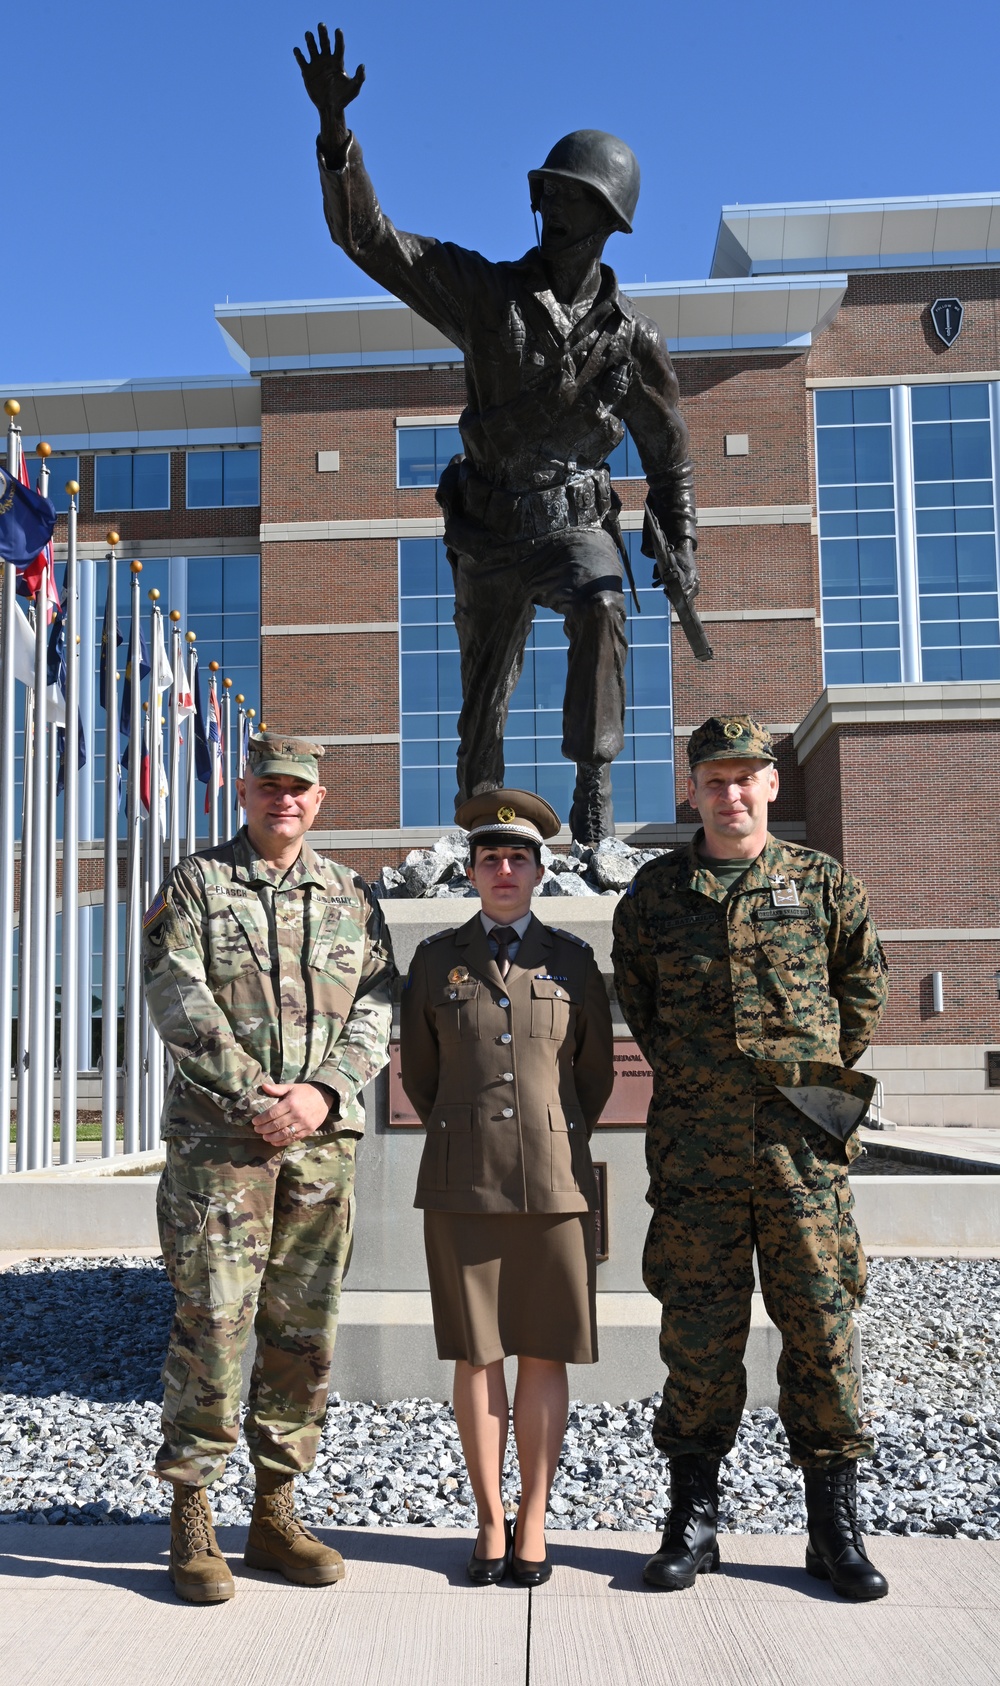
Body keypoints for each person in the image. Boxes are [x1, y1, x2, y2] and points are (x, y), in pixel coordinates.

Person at [294, 24, 698, 845]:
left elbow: (670, 459)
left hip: (574, 523)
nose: (550, 207)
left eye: (570, 196)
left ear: (608, 218)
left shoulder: (633, 341)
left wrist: (681, 542)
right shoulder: (486, 295)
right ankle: (481, 827)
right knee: (482, 701)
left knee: (602, 599)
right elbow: (369, 240)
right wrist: (338, 139)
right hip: (488, 527)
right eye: (546, 192)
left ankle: (592, 792)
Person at [611, 716, 890, 1601]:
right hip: (697, 1155)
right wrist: (706, 1084)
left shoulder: (821, 884)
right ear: (689, 788)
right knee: (698, 1334)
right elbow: (644, 1009)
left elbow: (864, 989)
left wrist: (809, 1086)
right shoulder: (655, 897)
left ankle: (831, 1525)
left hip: (801, 1158)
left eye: (747, 778)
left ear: (771, 785)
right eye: (714, 778)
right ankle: (693, 1517)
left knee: (821, 1326)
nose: (731, 793)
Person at [142, 732, 394, 1603]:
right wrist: (260, 1101)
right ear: (244, 791)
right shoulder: (197, 885)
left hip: (323, 1147)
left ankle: (275, 1511)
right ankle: (193, 1515)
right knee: (212, 1322)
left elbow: (379, 1002)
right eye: (270, 786)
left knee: (303, 1330)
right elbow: (177, 997)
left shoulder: (352, 895)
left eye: (300, 789)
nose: (284, 800)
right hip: (223, 1149)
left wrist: (322, 1093)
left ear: (320, 802)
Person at [400, 789, 614, 1584]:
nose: (503, 869)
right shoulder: (433, 960)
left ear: (538, 872)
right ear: (470, 870)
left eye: (517, 857)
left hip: (555, 1187)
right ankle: (489, 1519)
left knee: (546, 1354)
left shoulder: (572, 961)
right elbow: (420, 1078)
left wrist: (545, 1139)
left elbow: (589, 1079)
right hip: (463, 1188)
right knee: (478, 1356)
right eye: (489, 857)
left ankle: (535, 1519)